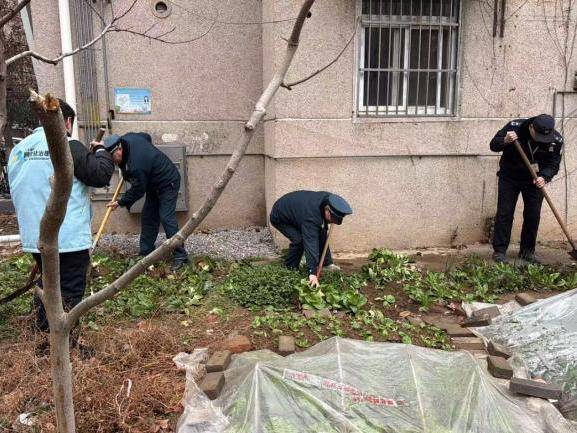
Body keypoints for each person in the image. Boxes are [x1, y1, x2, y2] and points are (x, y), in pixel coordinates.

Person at [8, 99, 114, 341]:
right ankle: (64, 344)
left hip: (35, 236)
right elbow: (99, 175)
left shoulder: (19, 149)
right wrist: (100, 151)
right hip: (68, 237)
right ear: (66, 122)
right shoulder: (67, 146)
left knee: (49, 284)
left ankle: (44, 335)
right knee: (70, 291)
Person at [104, 133, 188, 270]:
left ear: (119, 150)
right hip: (153, 184)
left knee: (166, 217)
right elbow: (146, 137)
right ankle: (146, 253)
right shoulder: (128, 138)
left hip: (168, 182)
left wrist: (121, 202)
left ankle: (181, 256)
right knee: (148, 217)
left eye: (114, 159)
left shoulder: (136, 166)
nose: (114, 163)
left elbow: (138, 190)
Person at [490, 114, 564, 263]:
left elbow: (553, 163)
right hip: (510, 176)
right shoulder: (514, 127)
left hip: (534, 179)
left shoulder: (556, 140)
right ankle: (499, 251)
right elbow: (493, 145)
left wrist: (544, 177)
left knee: (533, 214)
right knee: (505, 212)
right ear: (531, 127)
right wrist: (505, 140)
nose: (541, 140)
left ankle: (527, 251)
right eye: (538, 136)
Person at [269, 191, 353, 287]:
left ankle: (326, 264)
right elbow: (311, 243)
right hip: (280, 217)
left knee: (321, 232)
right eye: (332, 218)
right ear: (327, 209)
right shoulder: (311, 216)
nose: (332, 221)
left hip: (297, 212)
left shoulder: (330, 200)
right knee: (299, 240)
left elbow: (322, 232)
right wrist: (312, 272)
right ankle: (290, 269)